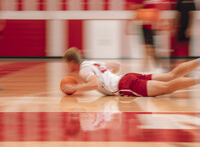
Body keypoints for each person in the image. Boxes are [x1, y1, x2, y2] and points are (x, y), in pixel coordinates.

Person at [62, 47, 200, 97]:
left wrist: (75, 87)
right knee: (171, 75)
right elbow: (116, 65)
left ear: (72, 62)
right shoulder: (90, 63)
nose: (67, 66)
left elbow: (94, 84)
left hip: (125, 85)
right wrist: (111, 78)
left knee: (167, 88)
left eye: (67, 63)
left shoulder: (83, 71)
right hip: (127, 77)